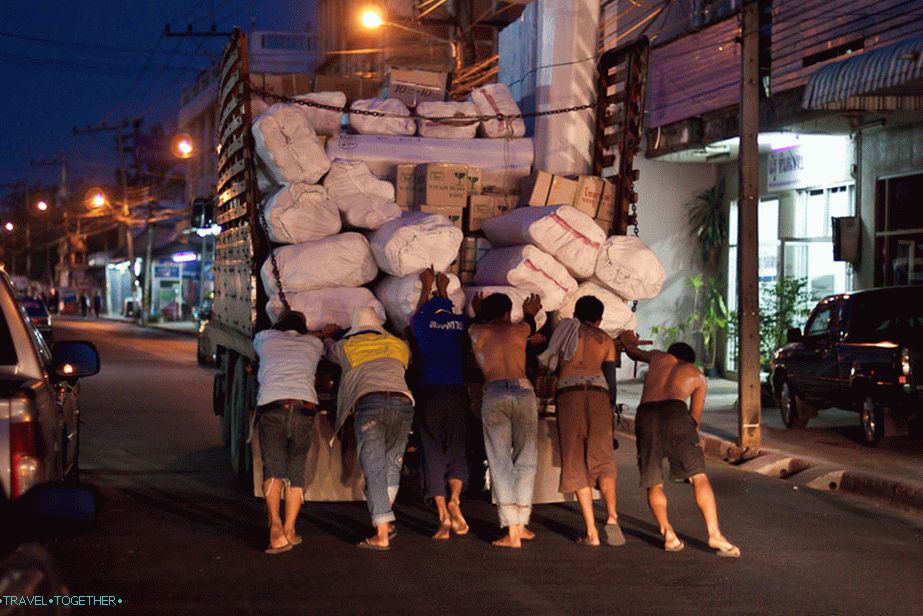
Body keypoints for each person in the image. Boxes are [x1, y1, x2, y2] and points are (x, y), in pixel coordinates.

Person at [618, 331, 741, 557]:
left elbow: (633, 352)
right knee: (698, 476)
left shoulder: (658, 357)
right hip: (676, 414)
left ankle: (668, 534)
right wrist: (687, 444)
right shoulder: (697, 375)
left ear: (671, 354)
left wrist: (628, 341)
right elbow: (694, 418)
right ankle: (714, 534)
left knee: (653, 481)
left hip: (646, 415)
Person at [326, 306, 414, 551]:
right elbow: (408, 357)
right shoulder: (397, 345)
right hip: (404, 402)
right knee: (392, 462)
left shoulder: (347, 347)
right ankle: (386, 519)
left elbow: (328, 351)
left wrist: (330, 335)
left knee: (374, 468)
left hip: (370, 404)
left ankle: (382, 533)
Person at [539, 296, 624, 547]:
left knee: (575, 460)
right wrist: (610, 411)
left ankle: (592, 532)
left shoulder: (566, 331)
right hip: (599, 395)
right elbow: (611, 380)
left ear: (576, 313)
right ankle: (611, 515)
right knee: (604, 459)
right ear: (599, 319)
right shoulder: (606, 341)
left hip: (570, 393)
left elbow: (551, 364)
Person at [253, 311, 332, 555]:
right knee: (296, 467)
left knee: (274, 466)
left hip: (272, 407)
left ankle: (275, 527)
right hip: (303, 408)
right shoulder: (314, 343)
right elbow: (317, 342)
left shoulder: (264, 338)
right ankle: (290, 529)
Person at [469, 291, 542, 548]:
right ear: (507, 313)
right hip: (524, 392)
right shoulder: (520, 330)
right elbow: (532, 323)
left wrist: (477, 311)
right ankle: (521, 525)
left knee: (500, 462)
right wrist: (530, 309)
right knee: (526, 460)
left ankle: (511, 530)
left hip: (495, 393)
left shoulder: (477, 331)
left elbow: (474, 324)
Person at [410, 267, 470, 540]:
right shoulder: (460, 325)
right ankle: (455, 498)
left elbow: (416, 319)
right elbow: (456, 319)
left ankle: (443, 515)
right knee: (457, 448)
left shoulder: (423, 323)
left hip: (430, 393)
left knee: (431, 451)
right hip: (457, 392)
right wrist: (444, 291)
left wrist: (425, 288)